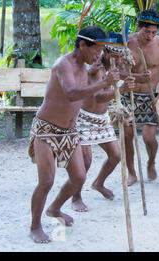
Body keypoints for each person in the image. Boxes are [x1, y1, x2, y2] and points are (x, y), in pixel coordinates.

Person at [28, 26, 120, 243]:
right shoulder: (64, 65)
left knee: (79, 177)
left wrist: (116, 86)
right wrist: (104, 81)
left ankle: (54, 208)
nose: (98, 56)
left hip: (70, 130)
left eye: (100, 51)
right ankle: (35, 226)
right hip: (46, 129)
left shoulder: (87, 68)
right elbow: (70, 94)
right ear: (82, 45)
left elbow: (96, 97)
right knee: (46, 181)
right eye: (95, 50)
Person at [71, 42, 137, 212]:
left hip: (102, 119)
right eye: (115, 57)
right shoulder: (97, 68)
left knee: (115, 156)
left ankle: (98, 183)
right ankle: (76, 197)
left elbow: (124, 73)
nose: (119, 60)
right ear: (106, 53)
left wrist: (131, 78)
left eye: (122, 57)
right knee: (85, 162)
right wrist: (121, 89)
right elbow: (99, 97)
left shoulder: (114, 68)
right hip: (84, 119)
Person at [124, 9, 159, 184]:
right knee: (127, 136)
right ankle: (131, 171)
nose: (151, 36)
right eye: (147, 32)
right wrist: (137, 77)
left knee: (148, 138)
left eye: (154, 32)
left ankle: (151, 161)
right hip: (128, 95)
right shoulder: (127, 42)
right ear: (138, 27)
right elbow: (118, 72)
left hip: (152, 96)